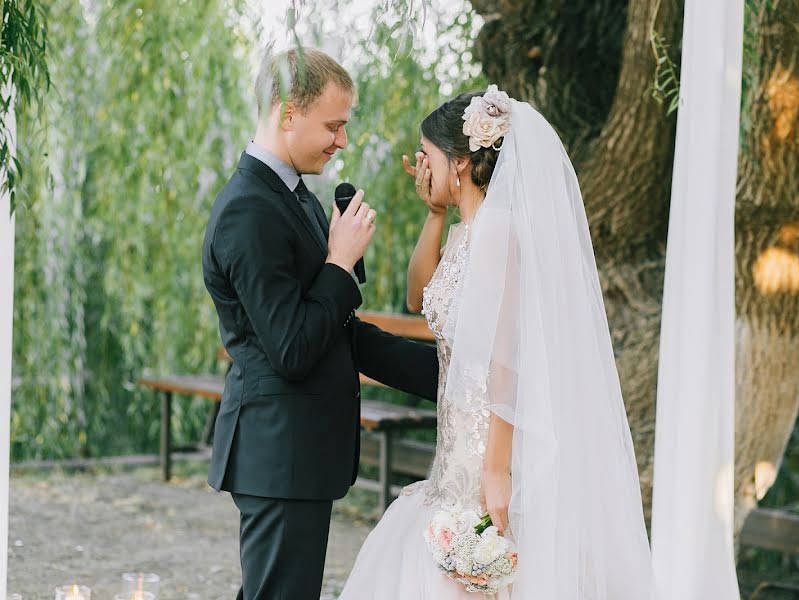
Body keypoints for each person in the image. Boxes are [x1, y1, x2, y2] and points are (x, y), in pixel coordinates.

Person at [338, 86, 657, 599]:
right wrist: (435, 213)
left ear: (460, 162)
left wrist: (497, 469)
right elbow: (419, 293)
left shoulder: (501, 232)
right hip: (457, 440)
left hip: (488, 440)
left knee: (488, 562)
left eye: (429, 156)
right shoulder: (469, 231)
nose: (421, 166)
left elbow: (506, 359)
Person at [200, 46, 439, 600]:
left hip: (297, 456)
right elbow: (292, 347)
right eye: (334, 125)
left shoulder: (294, 197)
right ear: (288, 114)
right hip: (278, 455)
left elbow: (340, 331)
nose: (342, 141)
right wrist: (337, 261)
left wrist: (455, 378)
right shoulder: (249, 211)